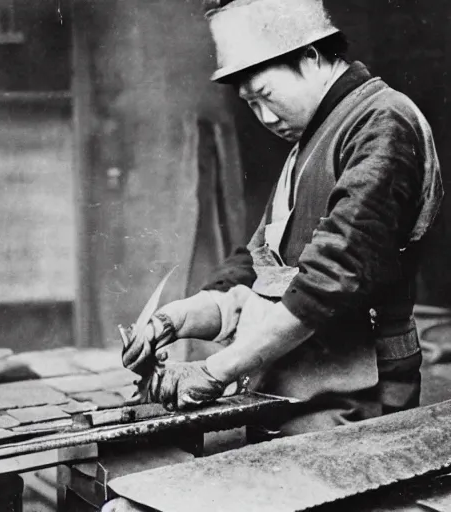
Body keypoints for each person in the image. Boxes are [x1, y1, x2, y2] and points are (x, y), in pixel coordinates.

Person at [122, 0, 443, 438]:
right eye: (250, 104)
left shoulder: (382, 120)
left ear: (311, 57)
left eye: (267, 95)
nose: (265, 118)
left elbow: (328, 278)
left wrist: (215, 371)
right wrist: (173, 321)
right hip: (286, 393)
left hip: (353, 403)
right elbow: (255, 266)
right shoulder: (308, 145)